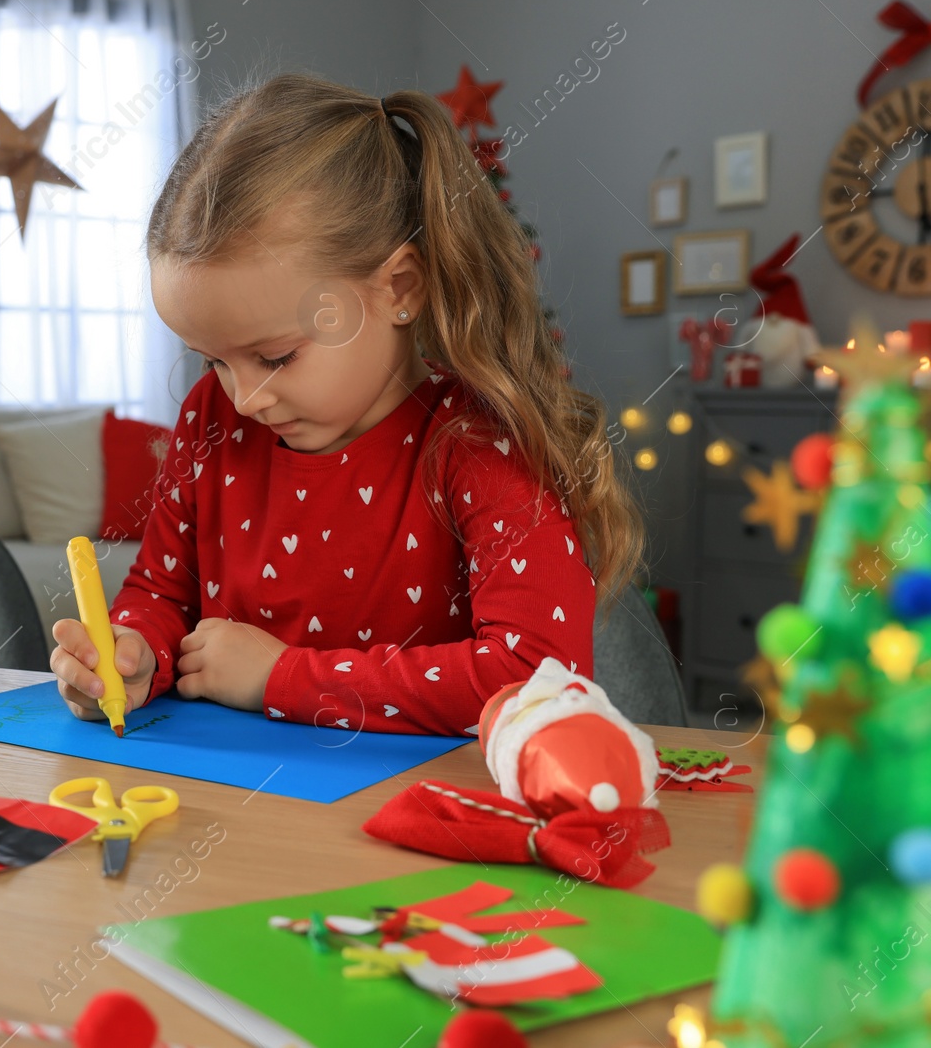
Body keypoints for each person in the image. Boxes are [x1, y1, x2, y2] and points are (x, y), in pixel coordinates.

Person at [50, 75, 641, 736]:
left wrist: (281, 677)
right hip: (231, 809)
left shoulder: (479, 442)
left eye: (275, 357)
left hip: (402, 820)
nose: (244, 398)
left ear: (400, 289)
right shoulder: (210, 419)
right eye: (213, 359)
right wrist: (132, 655)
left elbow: (539, 676)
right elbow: (160, 596)